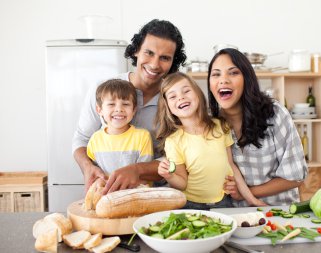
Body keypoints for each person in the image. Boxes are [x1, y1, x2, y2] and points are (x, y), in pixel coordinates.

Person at [72, 19, 187, 193]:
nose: (155, 64)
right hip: (107, 192)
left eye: (165, 58)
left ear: (173, 62)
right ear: (136, 51)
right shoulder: (103, 89)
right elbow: (82, 139)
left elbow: (176, 158)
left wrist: (138, 170)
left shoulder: (175, 101)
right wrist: (88, 167)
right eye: (149, 53)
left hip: (154, 194)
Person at [207, 48, 308, 206]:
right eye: (216, 74)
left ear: (247, 78)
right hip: (233, 218)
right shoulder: (209, 124)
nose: (223, 80)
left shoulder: (274, 113)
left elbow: (295, 176)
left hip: (278, 213)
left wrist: (246, 194)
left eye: (233, 73)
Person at [156, 72, 266, 210]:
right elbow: (182, 183)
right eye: (173, 96)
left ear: (198, 94)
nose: (181, 97)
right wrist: (169, 176)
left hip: (223, 201)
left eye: (186, 91)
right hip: (190, 205)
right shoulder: (173, 141)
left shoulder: (220, 126)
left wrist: (252, 200)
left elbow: (230, 165)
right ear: (167, 107)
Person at [86, 79, 153, 187]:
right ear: (99, 110)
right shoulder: (95, 139)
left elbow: (144, 176)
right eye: (111, 104)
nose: (119, 109)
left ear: (134, 110)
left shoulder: (142, 137)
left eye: (126, 104)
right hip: (106, 197)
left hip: (136, 197)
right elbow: (95, 175)